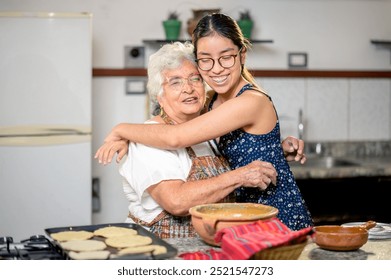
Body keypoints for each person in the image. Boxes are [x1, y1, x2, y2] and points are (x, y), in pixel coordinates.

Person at [95, 13, 313, 230]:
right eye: (206, 60)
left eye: (226, 57)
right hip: (244, 219)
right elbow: (172, 131)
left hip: (275, 213)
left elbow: (175, 137)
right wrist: (277, 148)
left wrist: (121, 130)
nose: (216, 69)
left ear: (242, 55)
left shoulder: (250, 101)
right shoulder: (211, 100)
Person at [117, 41, 278, 239]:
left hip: (211, 246)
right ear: (159, 95)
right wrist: (239, 177)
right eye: (175, 82)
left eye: (195, 79)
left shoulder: (207, 131)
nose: (188, 89)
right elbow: (176, 201)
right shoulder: (149, 138)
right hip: (163, 250)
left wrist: (280, 147)